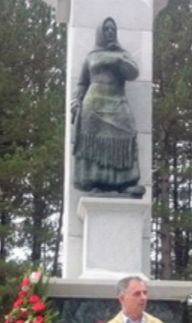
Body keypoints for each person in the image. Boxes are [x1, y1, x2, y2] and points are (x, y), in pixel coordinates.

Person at [71, 17, 145, 198]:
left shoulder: (123, 55)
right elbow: (82, 83)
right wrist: (75, 101)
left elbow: (133, 73)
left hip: (117, 103)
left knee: (126, 136)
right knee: (95, 144)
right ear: (100, 33)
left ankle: (125, 183)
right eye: (107, 29)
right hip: (93, 106)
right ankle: (96, 182)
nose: (110, 32)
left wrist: (118, 60)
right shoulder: (91, 56)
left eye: (113, 29)